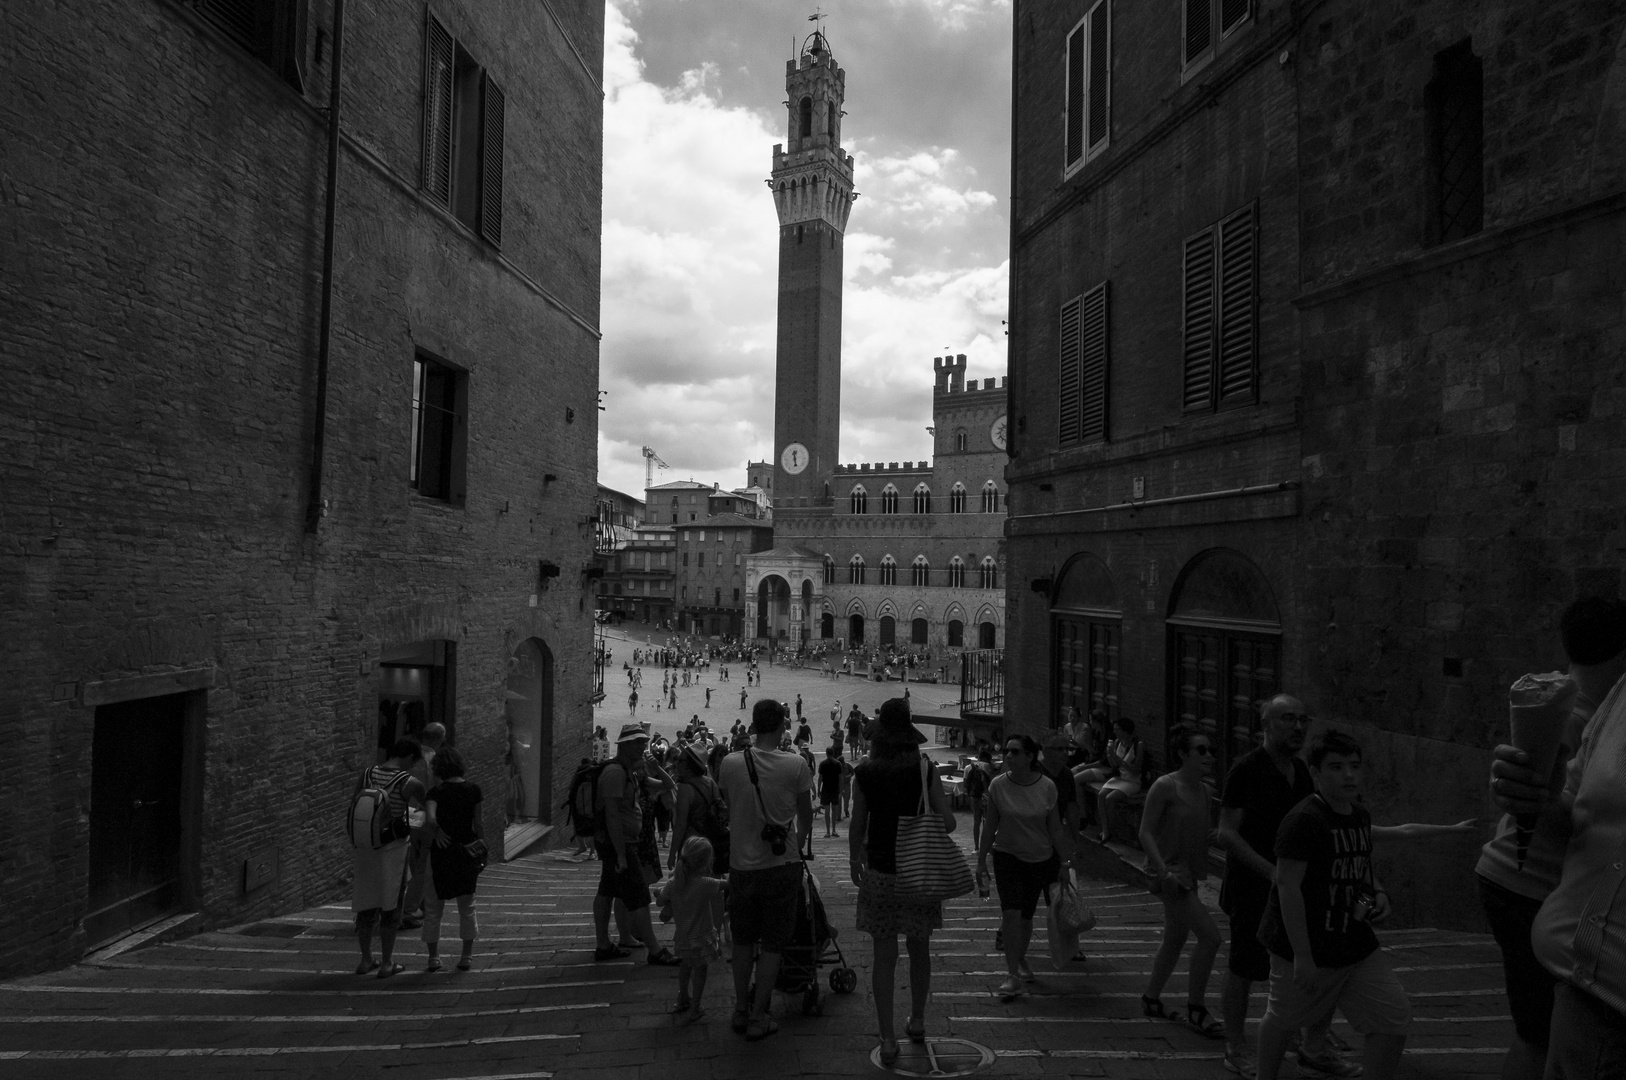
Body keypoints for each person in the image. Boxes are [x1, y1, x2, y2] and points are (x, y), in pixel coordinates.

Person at [1491, 597, 1626, 1080]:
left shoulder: (1570, 698)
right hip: (1539, 901)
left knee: (1532, 1033)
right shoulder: (1604, 705)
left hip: (1520, 882)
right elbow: (1574, 809)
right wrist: (1539, 799)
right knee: (1535, 1034)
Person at [1255, 731, 1410, 1080]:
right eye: (1337, 767)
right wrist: (1303, 956)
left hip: (1354, 941)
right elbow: (1287, 887)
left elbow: (1360, 866)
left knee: (1392, 1016)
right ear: (1316, 772)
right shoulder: (1303, 820)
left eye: (1354, 766)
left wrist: (1377, 895)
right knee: (1283, 1018)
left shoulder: (1358, 815)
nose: (1349, 775)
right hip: (1304, 941)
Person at [1215, 695, 1332, 1079]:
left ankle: (1303, 1037)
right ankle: (1235, 1044)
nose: (1297, 727)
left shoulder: (1301, 771)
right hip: (1253, 887)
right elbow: (1227, 834)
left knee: (1296, 959)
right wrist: (1270, 873)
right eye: (1287, 719)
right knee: (1245, 965)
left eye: (1302, 719)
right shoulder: (1246, 770)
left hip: (1294, 888)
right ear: (1265, 724)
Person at [849, 698, 955, 1064]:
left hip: (880, 870)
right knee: (919, 946)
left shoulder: (865, 772)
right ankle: (919, 1021)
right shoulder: (926, 769)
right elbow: (950, 822)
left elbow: (857, 824)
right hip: (919, 871)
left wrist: (852, 859)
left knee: (884, 954)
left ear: (879, 736)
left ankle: (887, 1035)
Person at [716, 699, 815, 1041]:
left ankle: (741, 1010)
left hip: (741, 866)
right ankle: (759, 1015)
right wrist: (796, 843)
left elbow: (731, 806)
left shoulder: (729, 764)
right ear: (782, 725)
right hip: (782, 865)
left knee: (742, 941)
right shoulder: (796, 765)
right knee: (773, 943)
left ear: (755, 726)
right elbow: (805, 815)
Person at [975, 732, 1077, 999]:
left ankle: (1020, 959)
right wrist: (981, 862)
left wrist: (1065, 862)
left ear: (1030, 757)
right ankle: (1011, 975)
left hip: (1040, 858)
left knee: (1026, 915)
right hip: (1007, 855)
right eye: (1007, 751)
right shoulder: (998, 785)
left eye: (1015, 752)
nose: (1008, 756)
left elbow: (1055, 828)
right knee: (1010, 912)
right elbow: (990, 826)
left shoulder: (1046, 787)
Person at [1140, 724, 1224, 1037]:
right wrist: (1164, 872)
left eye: (1210, 751)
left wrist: (1214, 836)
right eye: (1201, 750)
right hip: (1170, 873)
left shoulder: (1207, 791)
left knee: (1174, 939)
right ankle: (1197, 1008)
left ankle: (1151, 998)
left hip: (1189, 871)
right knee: (1211, 937)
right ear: (1182, 754)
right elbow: (1145, 831)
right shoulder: (1165, 786)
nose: (1208, 756)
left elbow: (1197, 833)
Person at [591, 724, 681, 966]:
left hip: (620, 845)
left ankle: (603, 945)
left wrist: (655, 767)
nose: (644, 746)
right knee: (640, 896)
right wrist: (621, 854)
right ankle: (654, 950)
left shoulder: (631, 772)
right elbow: (612, 816)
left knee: (606, 891)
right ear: (626, 745)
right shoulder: (615, 773)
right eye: (639, 742)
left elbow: (668, 786)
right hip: (620, 846)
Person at [352, 738, 427, 978]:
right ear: (409, 758)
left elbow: (355, 805)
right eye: (413, 762)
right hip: (393, 849)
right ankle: (387, 963)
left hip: (365, 848)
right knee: (391, 904)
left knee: (366, 903)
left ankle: (365, 960)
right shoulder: (409, 782)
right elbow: (427, 805)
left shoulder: (366, 774)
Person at [421, 746, 483, 972]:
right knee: (467, 907)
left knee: (433, 908)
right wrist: (482, 845)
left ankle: (433, 958)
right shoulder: (474, 790)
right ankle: (466, 956)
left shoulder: (435, 793)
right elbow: (478, 824)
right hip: (466, 853)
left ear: (439, 768)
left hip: (441, 853)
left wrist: (437, 832)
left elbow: (430, 819)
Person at [654, 837, 726, 1025]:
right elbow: (727, 885)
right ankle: (695, 1007)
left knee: (685, 967)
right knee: (700, 971)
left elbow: (660, 901)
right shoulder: (705, 883)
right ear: (706, 862)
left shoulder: (674, 883)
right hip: (701, 937)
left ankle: (682, 997)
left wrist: (659, 894)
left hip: (683, 937)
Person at [400, 721, 447, 930]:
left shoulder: (409, 758)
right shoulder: (435, 761)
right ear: (439, 739)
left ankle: (413, 905)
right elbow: (435, 792)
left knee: (412, 863)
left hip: (406, 817)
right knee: (422, 867)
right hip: (425, 818)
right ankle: (409, 910)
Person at [669, 744, 729, 875]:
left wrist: (672, 853)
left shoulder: (684, 789)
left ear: (690, 765)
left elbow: (680, 825)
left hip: (691, 844)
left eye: (681, 760)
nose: (677, 763)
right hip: (710, 842)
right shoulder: (710, 783)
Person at [1089, 717, 1144, 843]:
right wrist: (1110, 756)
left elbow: (1136, 770)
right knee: (1102, 794)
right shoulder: (1118, 742)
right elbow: (1114, 766)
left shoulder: (1137, 744)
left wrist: (1118, 760)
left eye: (1117, 729)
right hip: (1120, 777)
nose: (1115, 732)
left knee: (1110, 798)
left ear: (1125, 730)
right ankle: (1105, 830)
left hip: (1132, 781)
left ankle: (1111, 829)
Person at [965, 745, 994, 848]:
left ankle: (976, 846)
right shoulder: (986, 765)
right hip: (985, 796)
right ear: (986, 758)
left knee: (976, 822)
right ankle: (986, 846)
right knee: (986, 822)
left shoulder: (968, 767)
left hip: (974, 797)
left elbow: (965, 784)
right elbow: (990, 783)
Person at [818, 743, 844, 837]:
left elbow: (820, 778)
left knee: (827, 811)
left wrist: (818, 789)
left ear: (826, 753)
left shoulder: (822, 764)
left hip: (825, 789)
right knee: (834, 810)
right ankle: (834, 830)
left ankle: (828, 831)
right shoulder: (838, 764)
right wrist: (841, 790)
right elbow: (840, 778)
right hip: (835, 789)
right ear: (833, 753)